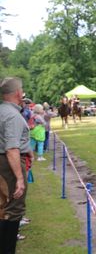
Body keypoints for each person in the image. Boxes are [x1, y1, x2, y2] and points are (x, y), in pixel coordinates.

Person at [0, 77, 33, 253]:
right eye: (22, 90)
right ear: (18, 93)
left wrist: (27, 149)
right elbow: (11, 148)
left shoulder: (3, 111)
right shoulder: (12, 115)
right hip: (9, 165)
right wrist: (19, 178)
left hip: (4, 163)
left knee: (3, 207)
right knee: (13, 210)